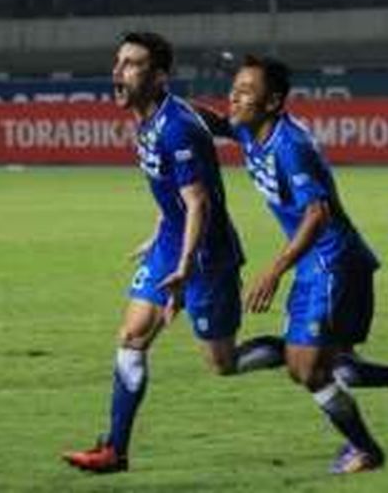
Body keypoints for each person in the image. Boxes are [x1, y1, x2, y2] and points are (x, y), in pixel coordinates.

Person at [62, 32, 284, 474]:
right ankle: (114, 450)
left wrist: (183, 268)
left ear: (159, 76)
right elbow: (177, 198)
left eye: (132, 63)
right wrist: (159, 232)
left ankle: (307, 351)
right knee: (132, 337)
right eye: (118, 61)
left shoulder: (176, 128)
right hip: (173, 243)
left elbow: (199, 202)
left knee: (223, 363)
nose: (118, 71)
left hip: (204, 256)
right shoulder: (152, 118)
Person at [195, 55, 388, 474]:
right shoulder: (251, 131)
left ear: (273, 102)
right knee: (337, 368)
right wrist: (163, 102)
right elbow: (215, 121)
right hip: (319, 265)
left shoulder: (291, 147)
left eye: (246, 91)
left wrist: (274, 269)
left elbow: (317, 214)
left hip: (332, 264)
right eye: (234, 87)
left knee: (308, 368)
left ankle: (367, 451)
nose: (234, 96)